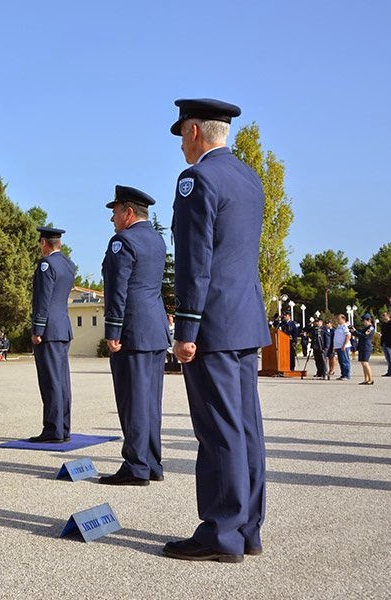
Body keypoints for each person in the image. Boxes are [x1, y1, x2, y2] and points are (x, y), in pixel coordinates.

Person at [164, 98, 271, 563]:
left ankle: (221, 533)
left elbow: (195, 261)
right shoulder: (249, 178)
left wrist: (186, 328)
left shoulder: (197, 180)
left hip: (213, 324)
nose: (182, 148)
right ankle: (247, 528)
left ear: (193, 132)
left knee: (219, 430)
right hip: (245, 320)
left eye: (181, 137)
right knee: (246, 427)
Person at [99, 185, 170, 485]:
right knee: (151, 401)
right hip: (154, 330)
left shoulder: (122, 242)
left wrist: (113, 329)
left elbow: (118, 289)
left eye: (115, 212)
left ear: (128, 212)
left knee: (132, 401)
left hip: (132, 330)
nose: (112, 219)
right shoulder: (156, 241)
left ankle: (136, 466)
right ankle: (152, 462)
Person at [29, 226, 76, 443]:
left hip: (48, 329)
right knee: (62, 381)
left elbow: (43, 299)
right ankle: (63, 427)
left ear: (44, 243)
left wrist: (37, 329)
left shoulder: (46, 265)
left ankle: (53, 429)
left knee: (50, 381)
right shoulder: (67, 264)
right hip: (62, 327)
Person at [350, 314, 375, 385]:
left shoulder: (371, 328)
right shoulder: (365, 328)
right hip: (362, 346)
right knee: (363, 363)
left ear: (368, 320)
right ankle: (366, 379)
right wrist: (354, 331)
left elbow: (364, 336)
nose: (363, 323)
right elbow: (360, 333)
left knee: (365, 363)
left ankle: (370, 379)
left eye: (364, 321)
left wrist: (355, 332)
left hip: (366, 347)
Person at [333, 313, 352, 381]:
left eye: (339, 319)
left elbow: (348, 336)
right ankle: (343, 374)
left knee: (345, 361)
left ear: (343, 319)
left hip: (344, 346)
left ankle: (347, 375)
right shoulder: (339, 326)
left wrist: (344, 345)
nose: (337, 320)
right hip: (338, 347)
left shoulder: (345, 326)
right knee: (341, 361)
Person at [380, 311, 391, 377]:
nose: (383, 317)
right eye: (382, 316)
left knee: (390, 358)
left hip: (390, 343)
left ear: (388, 316)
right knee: (387, 359)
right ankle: (389, 372)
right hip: (384, 343)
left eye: (384, 315)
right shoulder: (383, 324)